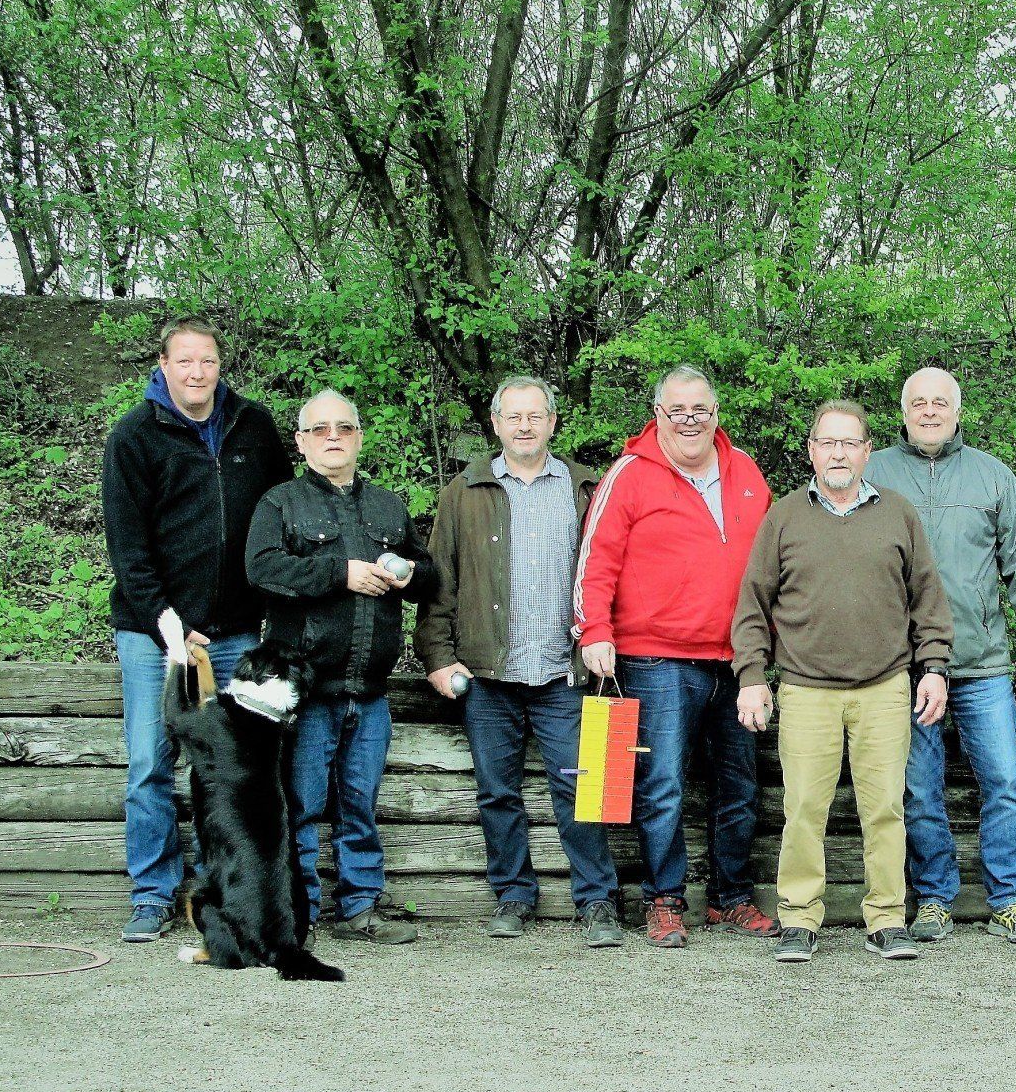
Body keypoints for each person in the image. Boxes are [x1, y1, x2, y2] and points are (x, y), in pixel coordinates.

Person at [732, 400, 952, 964]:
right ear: (811, 450)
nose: (838, 453)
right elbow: (752, 604)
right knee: (804, 808)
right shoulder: (783, 517)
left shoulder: (898, 514)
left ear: (866, 452)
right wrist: (752, 675)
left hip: (885, 686)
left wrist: (933, 668)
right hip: (807, 689)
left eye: (849, 443)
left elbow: (927, 599)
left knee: (886, 809)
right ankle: (799, 918)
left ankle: (886, 919)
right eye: (827, 443)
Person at [102, 316, 292, 942]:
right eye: (183, 361)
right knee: (150, 762)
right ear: (163, 365)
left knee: (233, 768)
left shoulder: (254, 427)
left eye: (206, 360)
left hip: (236, 632)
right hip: (152, 631)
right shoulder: (134, 437)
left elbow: (277, 522)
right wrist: (168, 624)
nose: (195, 372)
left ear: (219, 365)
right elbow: (127, 545)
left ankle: (228, 890)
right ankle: (152, 894)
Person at [416, 376, 623, 947]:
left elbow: (613, 575)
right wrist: (437, 655)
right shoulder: (466, 490)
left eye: (535, 416)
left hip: (563, 670)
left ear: (553, 422)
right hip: (489, 673)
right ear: (496, 424)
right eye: (513, 417)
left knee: (585, 787)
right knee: (496, 791)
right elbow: (440, 583)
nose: (525, 426)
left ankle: (597, 900)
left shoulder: (586, 487)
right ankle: (512, 895)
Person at [574, 365, 775, 947]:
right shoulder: (630, 475)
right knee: (660, 782)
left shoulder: (745, 472)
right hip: (655, 657)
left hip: (735, 660)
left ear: (717, 414)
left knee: (738, 784)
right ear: (658, 415)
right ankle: (664, 900)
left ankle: (730, 896)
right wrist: (594, 631)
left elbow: (768, 567)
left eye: (701, 411)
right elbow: (597, 558)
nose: (690, 421)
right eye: (677, 411)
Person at [864, 367, 1016, 944]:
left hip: (981, 665)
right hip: (900, 668)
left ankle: (1010, 897)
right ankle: (932, 898)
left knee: (1002, 781)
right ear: (902, 412)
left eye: (941, 402)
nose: (930, 411)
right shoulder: (874, 475)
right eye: (918, 403)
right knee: (919, 788)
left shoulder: (991, 477)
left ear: (958, 410)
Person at [246, 390, 435, 945]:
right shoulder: (279, 503)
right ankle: (294, 912)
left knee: (360, 805)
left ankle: (359, 909)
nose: (334, 437)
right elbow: (261, 569)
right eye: (321, 429)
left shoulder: (386, 505)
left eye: (345, 428)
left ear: (359, 437)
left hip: (369, 690)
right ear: (302, 442)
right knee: (299, 806)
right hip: (302, 687)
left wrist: (406, 574)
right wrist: (340, 572)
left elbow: (428, 572)